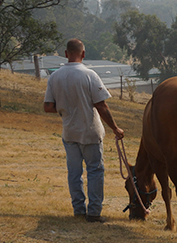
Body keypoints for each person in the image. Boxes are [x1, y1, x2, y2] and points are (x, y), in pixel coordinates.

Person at [44, 39, 125, 222]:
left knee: (74, 172)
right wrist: (115, 128)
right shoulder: (90, 75)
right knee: (95, 171)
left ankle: (78, 209)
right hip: (90, 131)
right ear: (83, 54)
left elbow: (48, 106)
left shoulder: (54, 77)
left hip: (69, 132)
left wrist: (64, 108)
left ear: (66, 54)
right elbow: (101, 105)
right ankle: (94, 212)